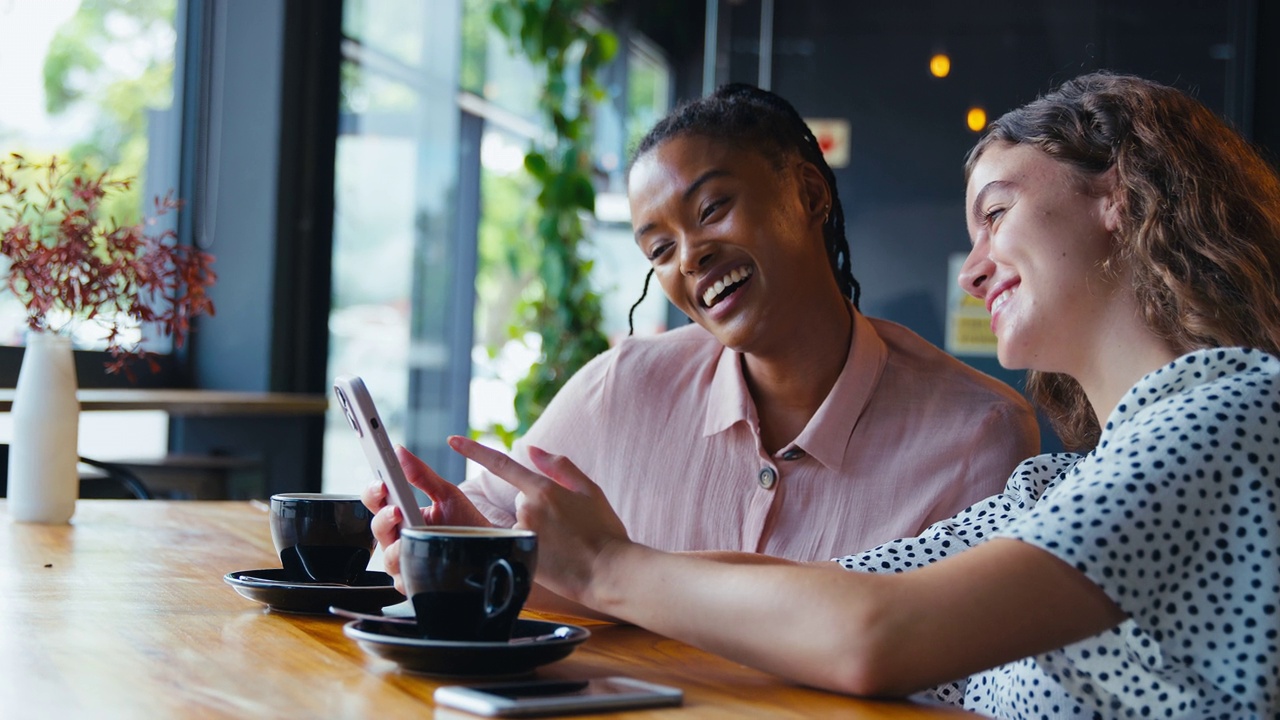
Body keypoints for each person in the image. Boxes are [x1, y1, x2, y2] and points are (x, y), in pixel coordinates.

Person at [446, 72, 1280, 718]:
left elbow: (878, 633)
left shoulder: (1234, 413)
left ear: (1119, 197)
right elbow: (833, 589)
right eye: (658, 246)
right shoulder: (1060, 485)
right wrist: (551, 557)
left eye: (996, 214)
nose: (978, 266)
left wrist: (607, 566)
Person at [364, 85, 1039, 608]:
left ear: (808, 192)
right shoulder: (624, 386)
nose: (691, 256)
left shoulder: (979, 435)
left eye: (713, 208)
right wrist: (455, 536)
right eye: (660, 247)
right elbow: (495, 521)